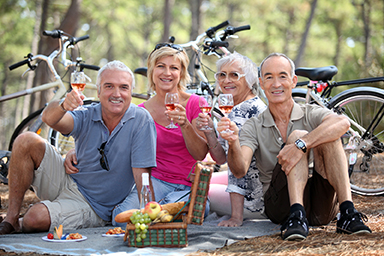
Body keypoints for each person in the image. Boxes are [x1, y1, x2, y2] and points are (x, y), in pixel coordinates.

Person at [217, 53, 371, 240]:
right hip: (280, 207)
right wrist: (233, 142)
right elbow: (240, 169)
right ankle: (296, 215)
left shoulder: (309, 112)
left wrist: (301, 145)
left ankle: (347, 211)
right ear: (261, 83)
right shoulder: (253, 125)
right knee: (299, 134)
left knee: (328, 133)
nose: (276, 84)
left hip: (320, 206)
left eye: (282, 76)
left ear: (294, 81)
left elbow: (343, 123)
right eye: (269, 77)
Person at [0, 60, 157, 235]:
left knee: (33, 219)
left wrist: (147, 214)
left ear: (131, 92)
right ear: (98, 91)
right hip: (67, 179)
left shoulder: (141, 120)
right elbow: (49, 118)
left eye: (124, 87)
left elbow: (142, 176)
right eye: (109, 86)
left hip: (92, 205)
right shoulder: (87, 113)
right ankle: (11, 219)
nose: (116, 93)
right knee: (25, 139)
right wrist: (63, 106)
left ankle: (26, 221)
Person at [105, 43, 208, 227]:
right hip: (155, 182)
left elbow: (200, 154)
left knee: (167, 215)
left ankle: (164, 217)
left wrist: (184, 124)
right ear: (152, 71)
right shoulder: (141, 111)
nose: (167, 73)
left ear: (181, 73)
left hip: (187, 185)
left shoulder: (195, 103)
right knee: (120, 217)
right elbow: (116, 146)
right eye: (161, 66)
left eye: (174, 67)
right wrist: (76, 152)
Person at [196, 52, 266, 227]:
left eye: (234, 75)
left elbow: (238, 170)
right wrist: (209, 131)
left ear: (249, 80)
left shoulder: (241, 113)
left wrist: (236, 217)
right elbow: (221, 159)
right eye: (222, 74)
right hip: (263, 187)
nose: (226, 80)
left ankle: (237, 212)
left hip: (256, 201)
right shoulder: (250, 105)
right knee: (202, 179)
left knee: (196, 189)